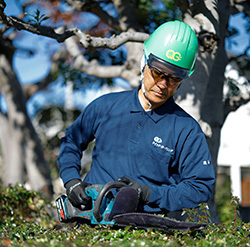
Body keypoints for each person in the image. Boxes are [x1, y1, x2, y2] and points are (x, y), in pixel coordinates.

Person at [57, 20, 215, 215]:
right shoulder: (106, 106)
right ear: (144, 63)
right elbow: (71, 141)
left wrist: (150, 194)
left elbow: (200, 187)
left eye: (174, 79)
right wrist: (72, 180)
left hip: (147, 231)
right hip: (91, 224)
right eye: (158, 73)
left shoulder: (186, 129)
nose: (163, 84)